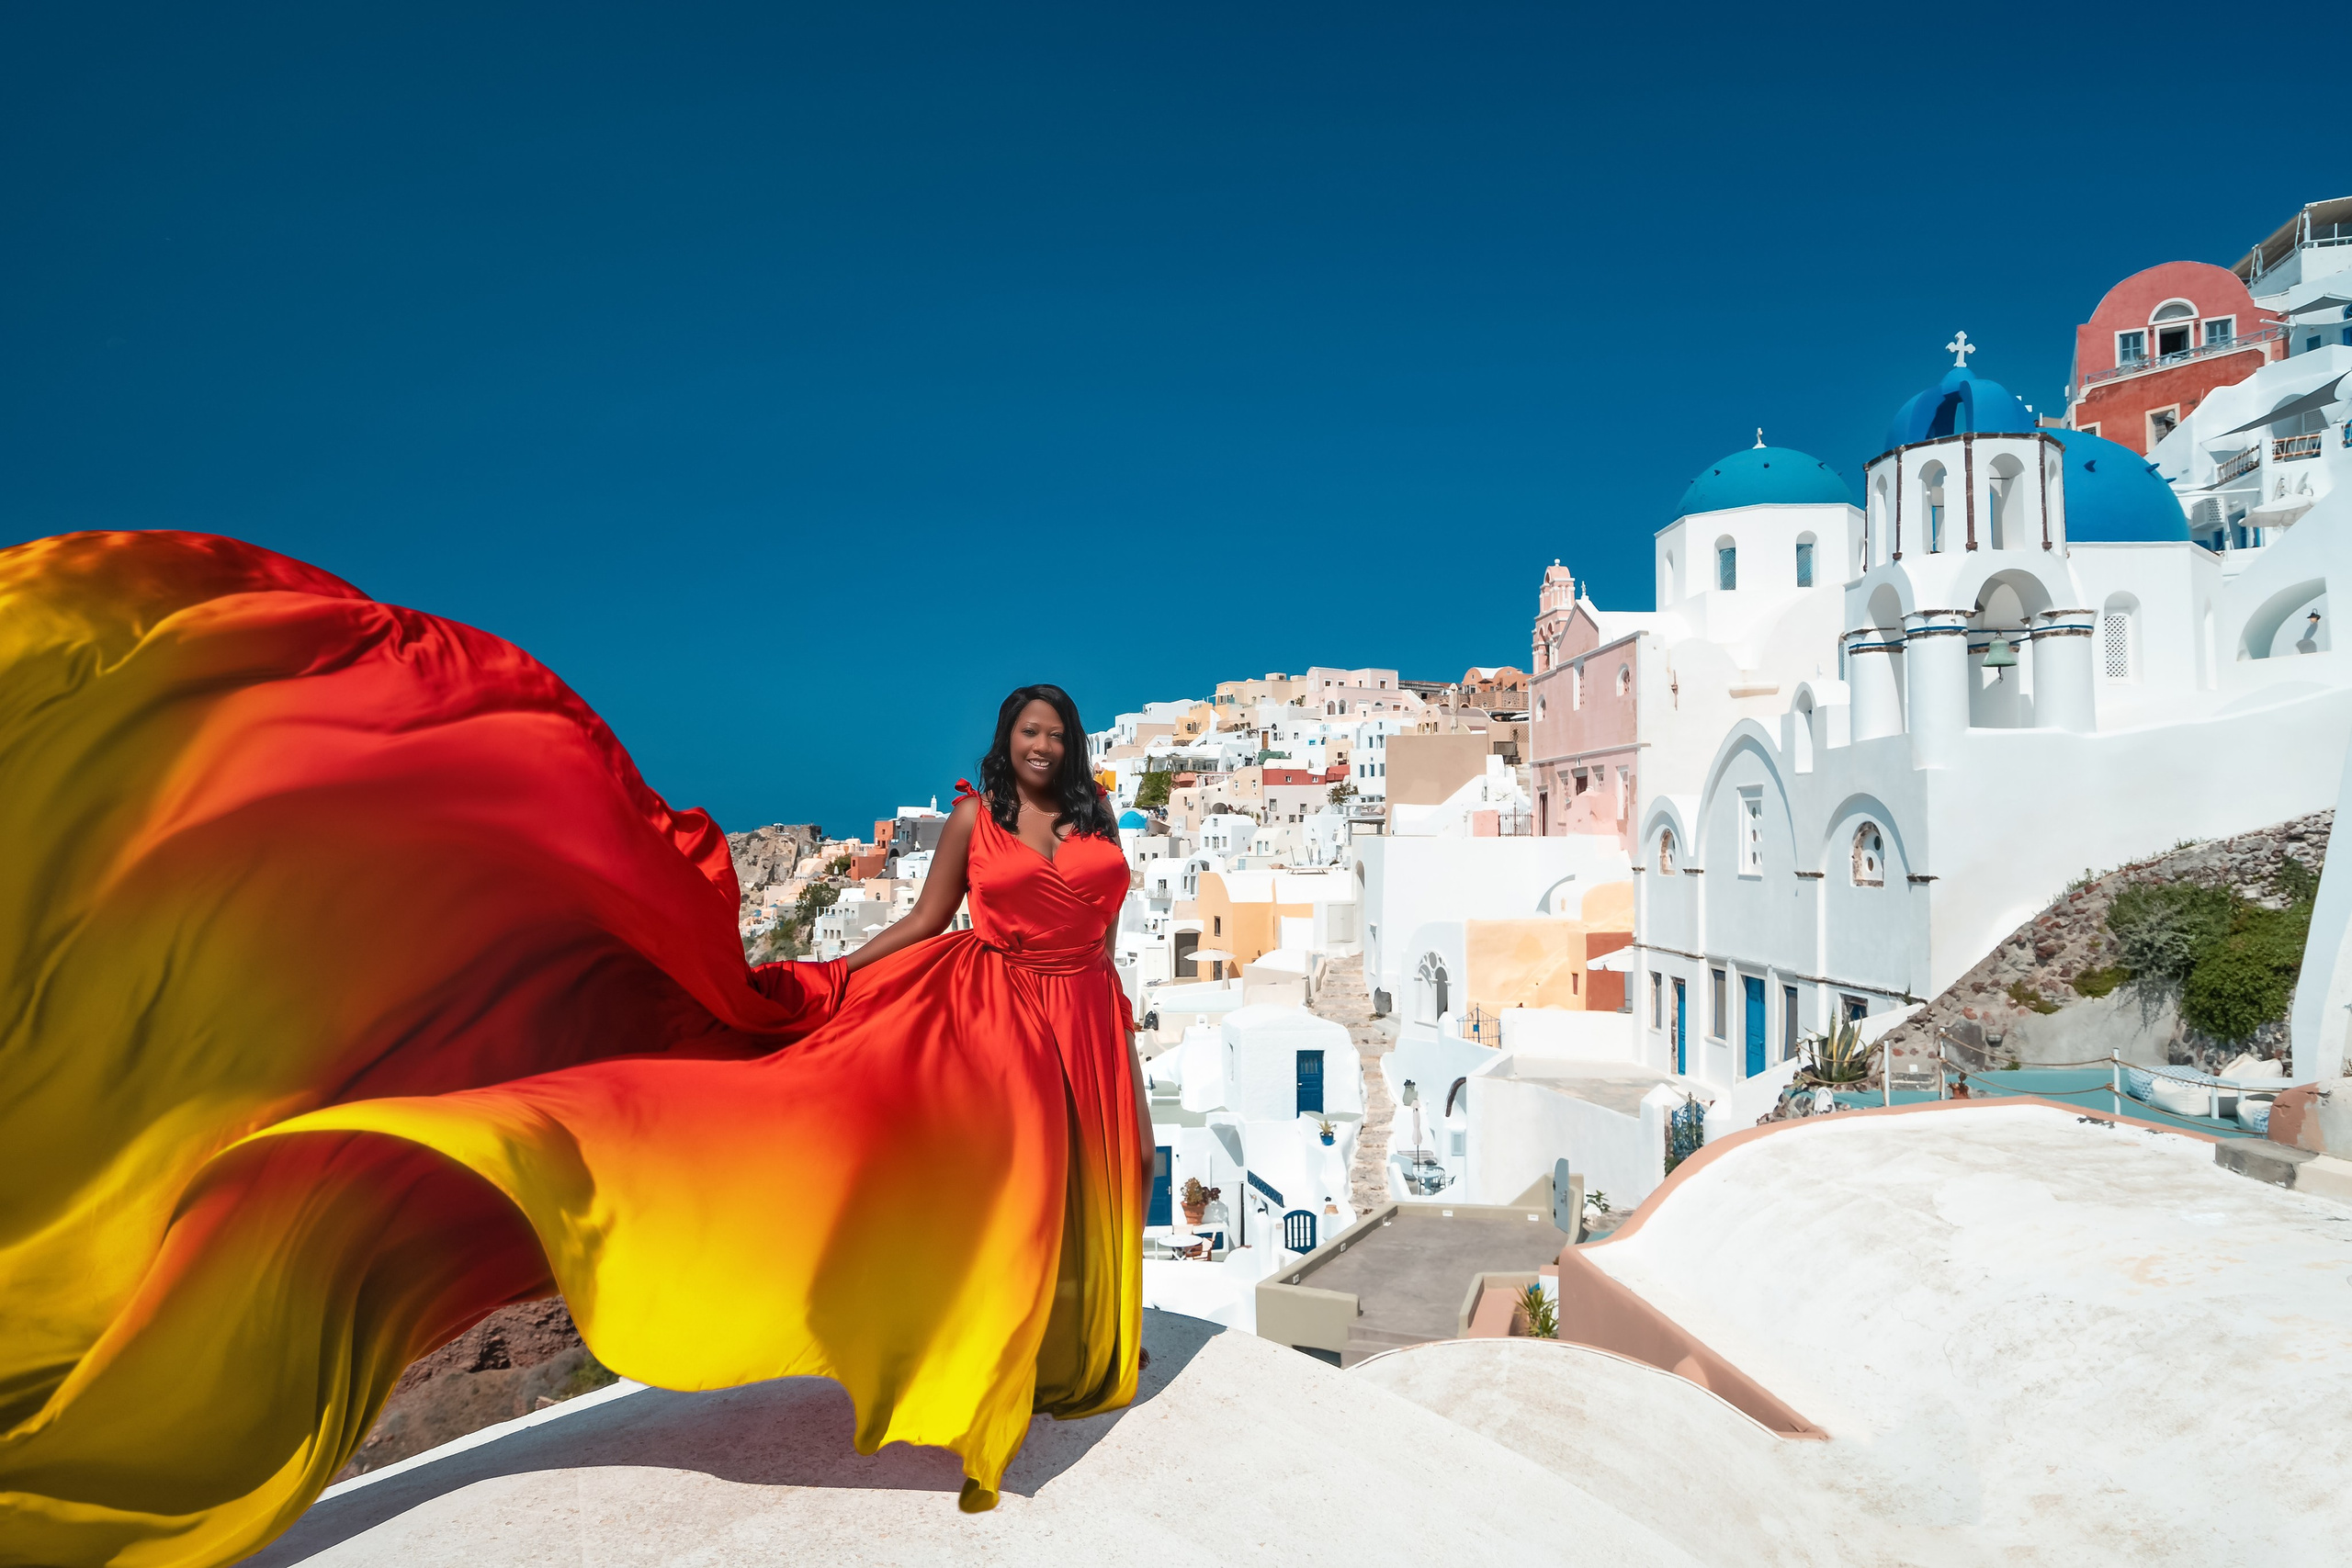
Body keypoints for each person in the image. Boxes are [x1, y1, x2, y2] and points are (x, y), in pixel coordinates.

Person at [0, 532, 1148, 1568]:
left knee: (1085, 1180)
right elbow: (927, 919)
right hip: (990, 1004)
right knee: (1008, 1186)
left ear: (1072, 747)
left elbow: (1097, 925)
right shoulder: (970, 821)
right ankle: (990, 1367)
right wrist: (841, 973)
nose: (1040, 746)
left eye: (1054, 733)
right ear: (1005, 743)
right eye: (1025, 732)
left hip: (1087, 1006)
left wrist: (1122, 1031)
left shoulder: (1097, 825)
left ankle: (1077, 1357)